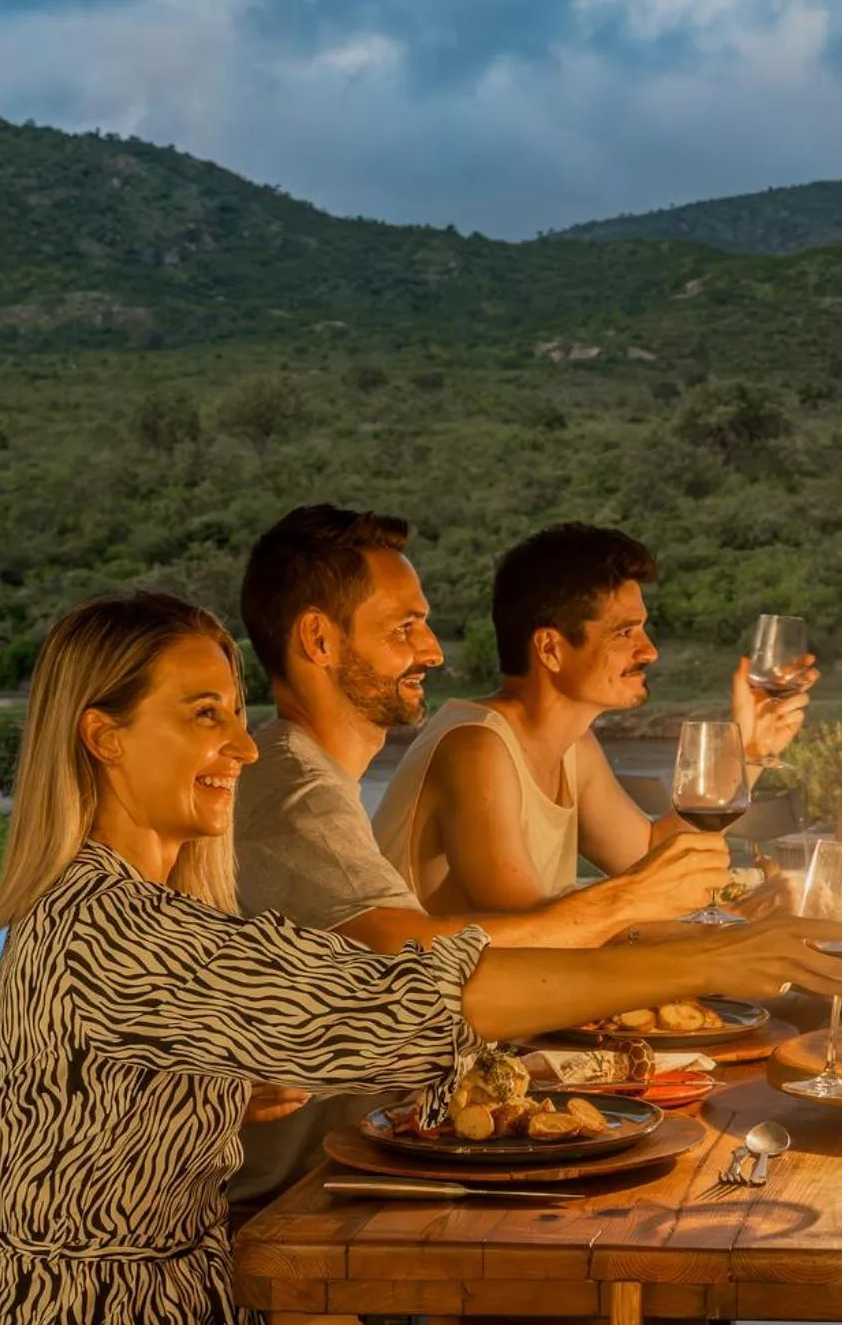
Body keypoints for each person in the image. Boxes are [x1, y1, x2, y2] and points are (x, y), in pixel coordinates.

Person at [0, 593, 842, 1325]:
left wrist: (231, 1091)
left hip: (184, 1323)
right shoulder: (111, 931)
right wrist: (706, 958)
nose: (239, 745)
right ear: (103, 737)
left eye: (236, 711)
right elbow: (419, 994)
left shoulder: (153, 910)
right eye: (203, 716)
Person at [230, 506, 733, 1211]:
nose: (433, 650)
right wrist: (665, 924)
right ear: (317, 638)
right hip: (303, 1194)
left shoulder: (311, 780)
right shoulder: (295, 793)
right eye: (404, 627)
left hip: (389, 1148)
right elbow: (412, 956)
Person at [374, 521, 812, 917]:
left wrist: (749, 754)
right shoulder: (475, 747)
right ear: (550, 649)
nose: (650, 651)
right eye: (625, 633)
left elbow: (648, 852)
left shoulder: (573, 746)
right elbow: (531, 929)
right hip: (421, 1004)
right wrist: (722, 933)